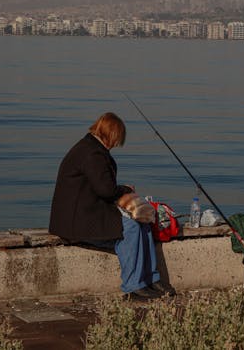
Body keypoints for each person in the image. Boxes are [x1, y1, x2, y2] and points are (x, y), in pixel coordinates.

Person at [49, 112, 171, 301]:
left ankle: (151, 278)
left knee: (144, 223)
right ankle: (133, 287)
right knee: (130, 228)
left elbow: (101, 188)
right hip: (77, 221)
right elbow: (106, 190)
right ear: (111, 134)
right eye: (117, 139)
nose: (116, 144)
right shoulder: (92, 154)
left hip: (89, 212)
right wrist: (125, 189)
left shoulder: (90, 147)